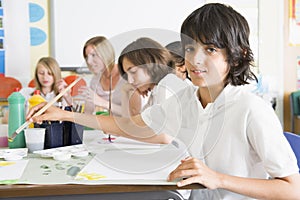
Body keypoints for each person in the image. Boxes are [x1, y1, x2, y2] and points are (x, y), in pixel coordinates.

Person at [27, 3, 300, 199]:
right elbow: (131, 125)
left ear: (237, 55)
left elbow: (292, 189)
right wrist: (67, 116)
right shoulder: (186, 100)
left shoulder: (251, 109)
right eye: (191, 48)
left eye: (211, 49)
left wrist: (218, 179)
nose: (196, 60)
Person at [118, 37, 189, 112]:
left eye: (133, 71)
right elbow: (136, 121)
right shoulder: (156, 90)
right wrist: (125, 91)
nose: (130, 81)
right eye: (127, 75)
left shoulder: (166, 87)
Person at [79, 36, 141, 117]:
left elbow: (133, 113)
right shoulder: (95, 81)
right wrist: (69, 99)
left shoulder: (127, 76)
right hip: (111, 127)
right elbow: (88, 113)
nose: (89, 61)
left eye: (94, 55)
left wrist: (101, 102)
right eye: (87, 57)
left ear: (106, 54)